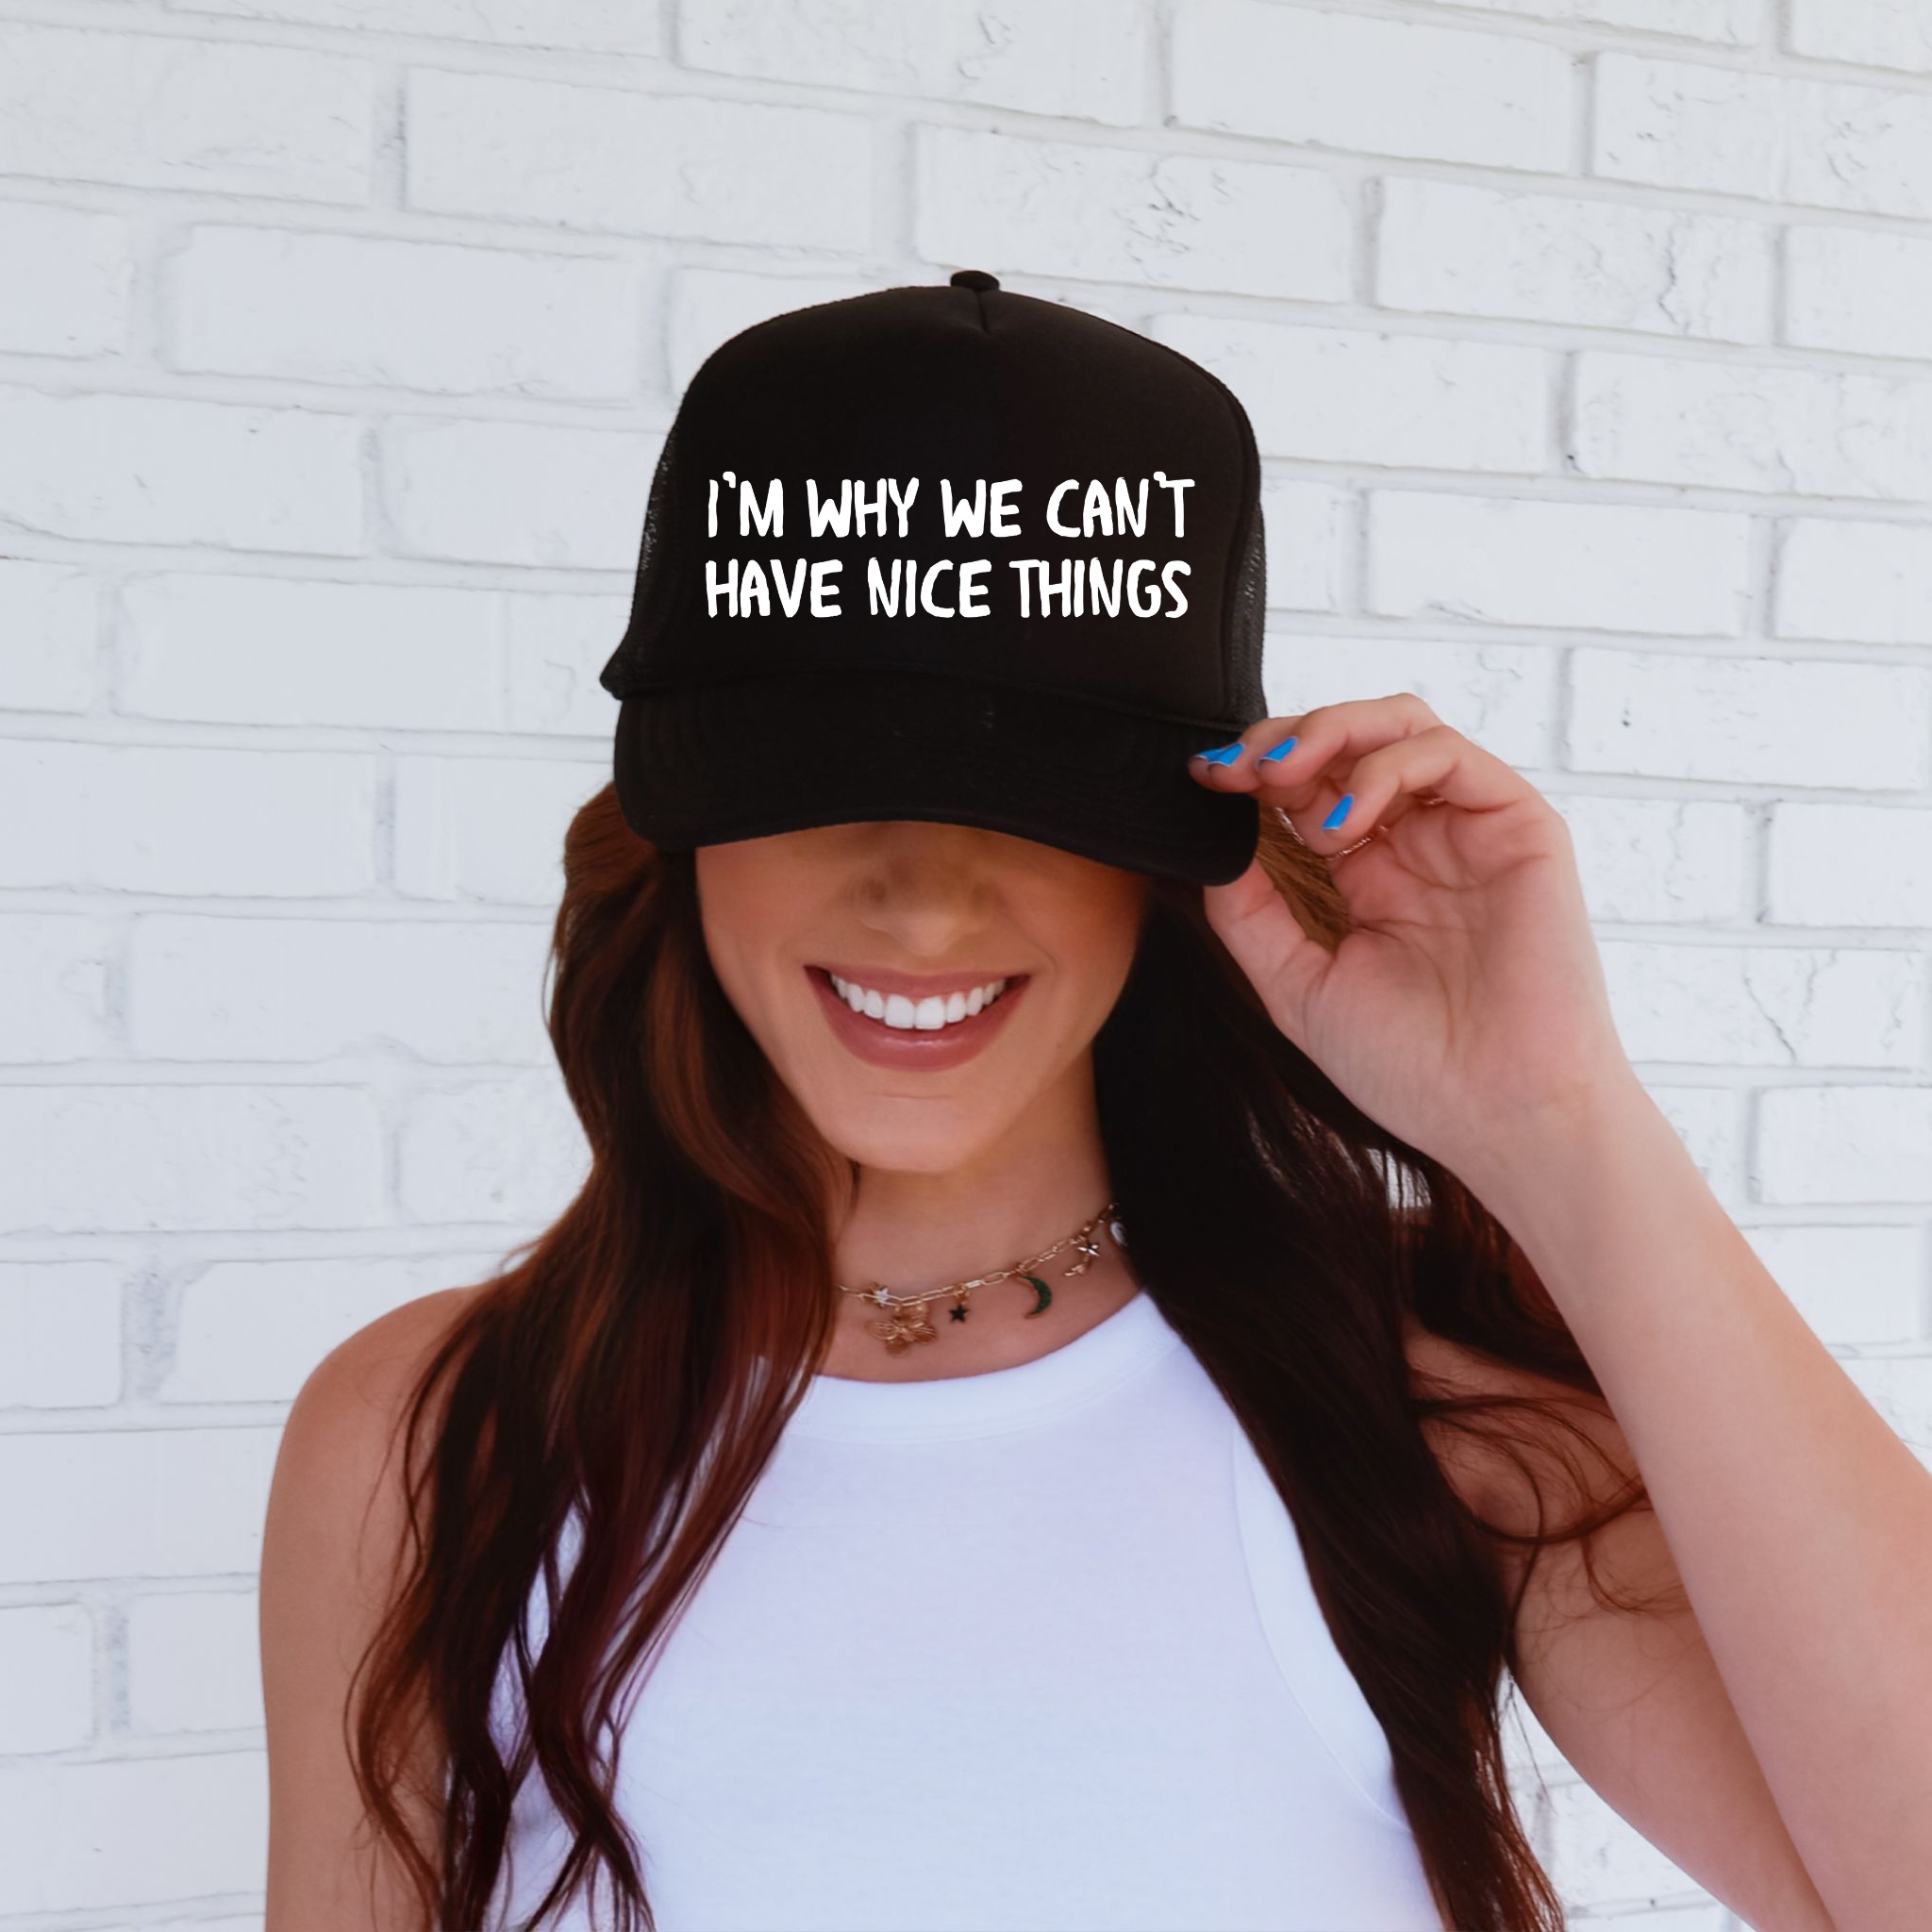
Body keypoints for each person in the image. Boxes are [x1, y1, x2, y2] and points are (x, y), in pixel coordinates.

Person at [258, 275, 1929, 1932]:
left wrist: (1557, 1116)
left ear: (1164, 857)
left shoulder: (1409, 1407)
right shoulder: (436, 1437)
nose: (924, 908)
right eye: (826, 780)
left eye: (1032, 802)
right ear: (687, 822)